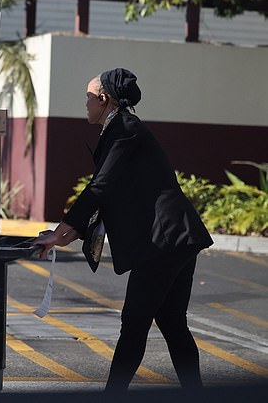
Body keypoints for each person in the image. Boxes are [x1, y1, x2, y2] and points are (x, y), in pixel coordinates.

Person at [33, 68, 213, 392]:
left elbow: (99, 187)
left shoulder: (125, 130)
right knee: (172, 323)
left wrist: (62, 231)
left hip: (164, 242)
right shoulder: (120, 130)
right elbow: (110, 193)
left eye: (88, 97)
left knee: (134, 324)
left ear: (103, 99)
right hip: (176, 239)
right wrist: (64, 235)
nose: (85, 104)